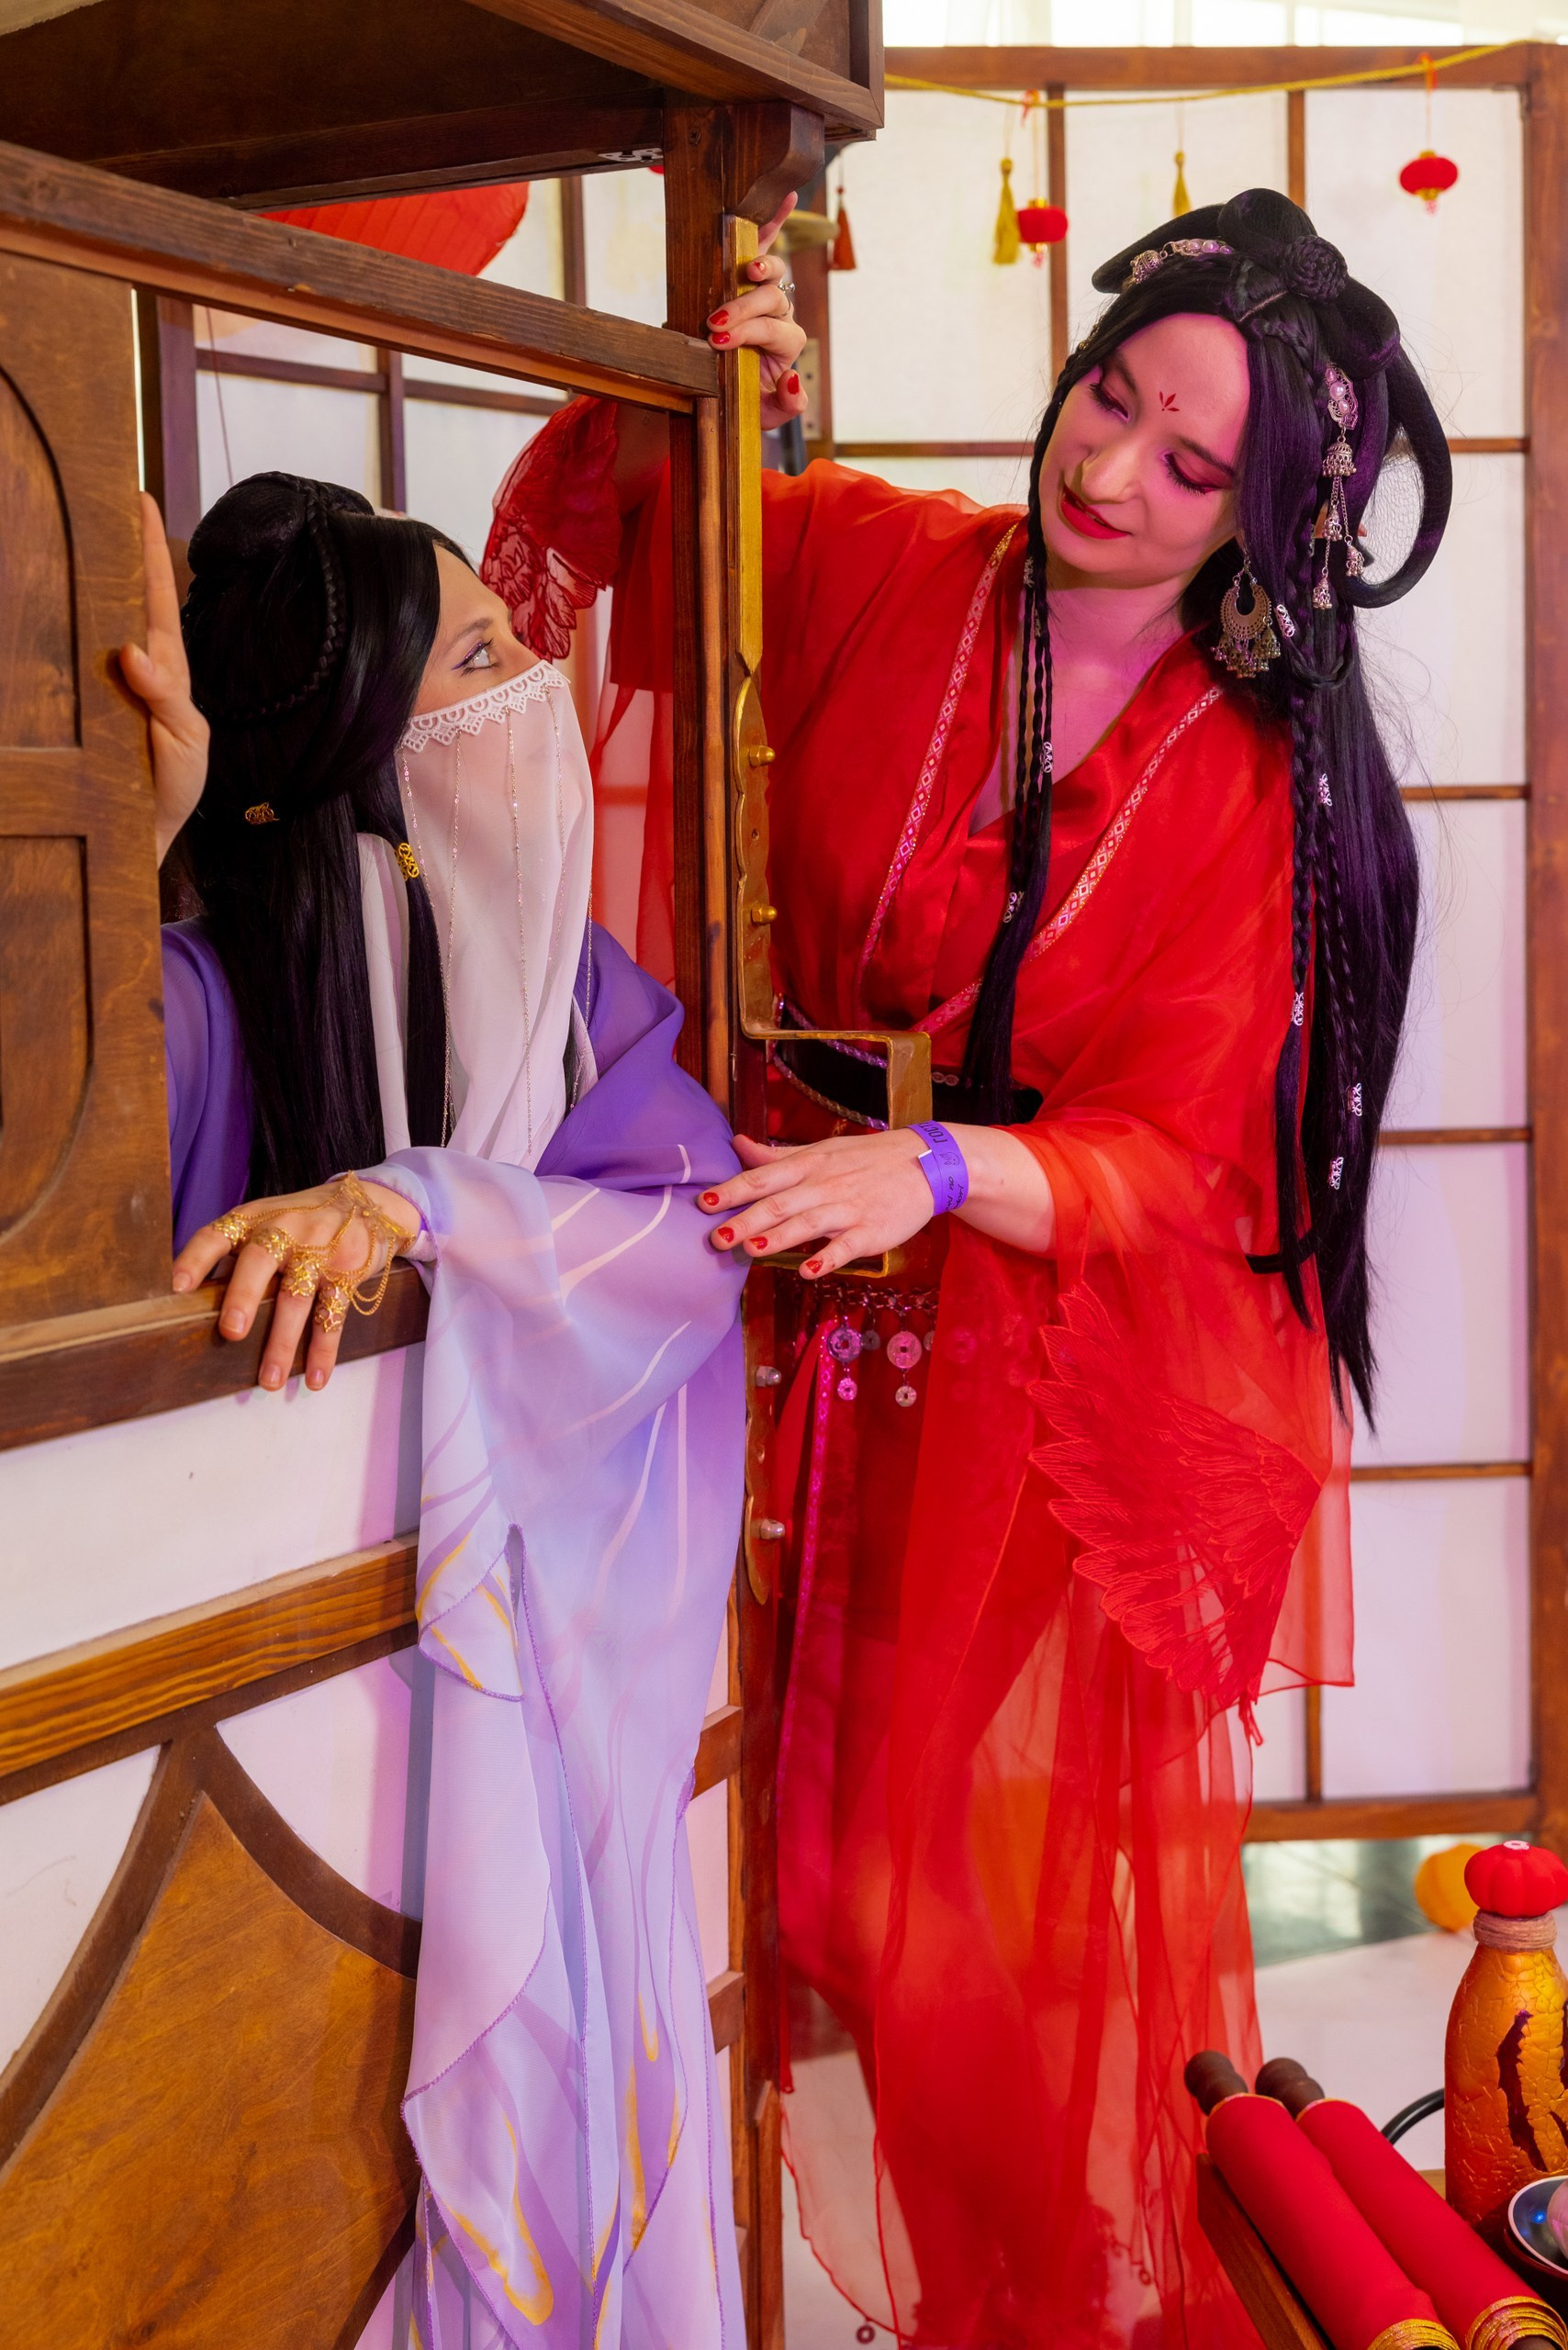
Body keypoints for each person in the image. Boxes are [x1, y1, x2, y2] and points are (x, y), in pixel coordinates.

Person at [477, 190, 1450, 2347]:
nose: (1105, 469)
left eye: (1187, 463)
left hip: (1003, 1340)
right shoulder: (877, 559)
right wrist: (716, 403)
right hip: (736, 1265)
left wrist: (932, 1164)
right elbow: (619, 551)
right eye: (1107, 397)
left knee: (880, 1883)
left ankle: (1026, 2295)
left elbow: (1180, 1155)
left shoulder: (1244, 773)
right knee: (701, 1817)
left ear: (1258, 521)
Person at [122, 474, 748, 2349]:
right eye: (479, 657)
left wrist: (424, 1203)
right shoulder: (196, 1000)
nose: (538, 680)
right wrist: (133, 846)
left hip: (523, 1702)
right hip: (262, 1734)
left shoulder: (576, 994)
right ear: (368, 772)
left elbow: (688, 1236)